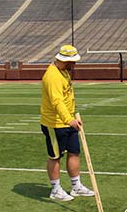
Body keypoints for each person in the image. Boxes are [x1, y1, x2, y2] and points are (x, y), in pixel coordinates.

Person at [40, 45, 95, 201]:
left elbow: (66, 98)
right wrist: (68, 119)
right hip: (55, 124)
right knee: (55, 157)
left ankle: (76, 186)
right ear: (66, 61)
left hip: (67, 121)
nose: (75, 65)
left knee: (74, 152)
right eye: (73, 62)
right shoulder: (52, 76)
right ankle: (55, 189)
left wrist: (73, 116)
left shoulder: (63, 72)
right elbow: (57, 101)